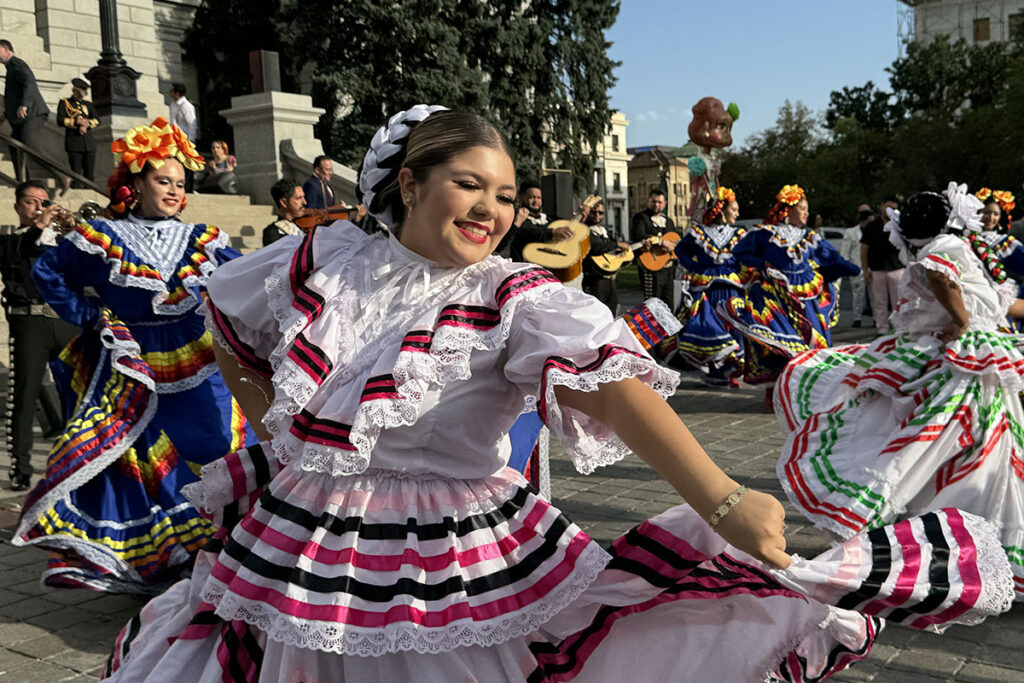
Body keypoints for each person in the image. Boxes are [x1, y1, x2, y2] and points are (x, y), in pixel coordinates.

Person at [101, 106, 1010, 683]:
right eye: (469, 183)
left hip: (447, 550)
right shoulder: (324, 255)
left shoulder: (514, 294)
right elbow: (222, 319)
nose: (491, 208)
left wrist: (724, 497)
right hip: (299, 534)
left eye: (502, 193)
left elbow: (616, 392)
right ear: (409, 183)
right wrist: (265, 411)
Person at [12, 117, 255, 593]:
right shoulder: (103, 236)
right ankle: (166, 557)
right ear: (136, 183)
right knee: (142, 457)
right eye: (162, 180)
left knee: (216, 444)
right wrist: (92, 315)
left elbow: (249, 278)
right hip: (133, 362)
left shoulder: (202, 239)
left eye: (180, 183)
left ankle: (219, 545)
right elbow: (49, 271)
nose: (172, 190)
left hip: (199, 360)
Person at [776, 183, 1024, 601]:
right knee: (953, 445)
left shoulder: (939, 247)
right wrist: (961, 322)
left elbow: (987, 301)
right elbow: (944, 280)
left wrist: (965, 319)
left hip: (964, 359)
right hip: (957, 360)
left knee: (957, 446)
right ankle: (966, 538)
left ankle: (963, 535)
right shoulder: (944, 247)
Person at [720, 184, 858, 412]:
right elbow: (740, 253)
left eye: (807, 209)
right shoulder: (765, 234)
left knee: (812, 343)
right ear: (787, 210)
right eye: (802, 208)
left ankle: (806, 393)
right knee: (774, 344)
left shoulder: (811, 237)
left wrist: (854, 269)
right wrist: (762, 265)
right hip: (774, 296)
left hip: (806, 298)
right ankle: (773, 392)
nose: (806, 213)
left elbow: (832, 259)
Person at [0, 180, 80, 491]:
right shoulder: (9, 242)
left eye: (44, 202)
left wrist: (74, 232)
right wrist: (40, 227)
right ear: (18, 206)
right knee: (24, 394)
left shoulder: (58, 240)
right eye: (32, 202)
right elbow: (18, 256)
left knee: (77, 391)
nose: (39, 208)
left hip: (64, 322)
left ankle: (79, 459)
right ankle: (21, 468)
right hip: (30, 324)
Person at [668, 186, 749, 387]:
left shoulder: (739, 233)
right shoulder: (699, 233)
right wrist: (695, 266)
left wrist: (741, 269)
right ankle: (714, 370)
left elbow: (747, 257)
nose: (737, 213)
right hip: (705, 287)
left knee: (733, 325)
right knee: (710, 325)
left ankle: (729, 369)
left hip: (731, 286)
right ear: (722, 210)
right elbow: (681, 249)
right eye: (734, 209)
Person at [0, 39, 50, 181]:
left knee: (30, 146)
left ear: (6, 49)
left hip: (32, 113)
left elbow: (29, 82)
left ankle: (62, 176)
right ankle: (23, 181)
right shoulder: (10, 67)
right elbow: (15, 93)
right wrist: (6, 113)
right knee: (14, 145)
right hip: (21, 117)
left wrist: (24, 104)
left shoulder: (16, 63)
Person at [860, 196, 903, 333]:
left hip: (897, 268)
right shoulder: (872, 226)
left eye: (894, 208)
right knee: (879, 302)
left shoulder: (900, 224)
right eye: (888, 207)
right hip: (877, 269)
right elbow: (864, 249)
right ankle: (882, 329)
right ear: (881, 206)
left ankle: (898, 328)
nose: (890, 211)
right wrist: (865, 269)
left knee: (899, 301)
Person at [631, 188, 678, 308]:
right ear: (649, 201)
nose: (656, 205)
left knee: (668, 305)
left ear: (665, 204)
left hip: (668, 269)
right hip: (651, 267)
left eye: (660, 202)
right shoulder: (641, 218)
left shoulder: (668, 221)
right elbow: (639, 235)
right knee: (652, 305)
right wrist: (662, 242)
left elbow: (675, 239)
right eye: (654, 201)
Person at [580, 199, 628, 313]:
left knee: (611, 314)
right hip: (594, 278)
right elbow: (595, 246)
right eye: (594, 212)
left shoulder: (604, 230)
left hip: (610, 279)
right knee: (597, 314)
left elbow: (614, 249)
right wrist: (616, 244)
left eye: (600, 213)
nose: (597, 215)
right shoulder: (583, 230)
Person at [56, 78, 99, 185]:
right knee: (76, 172)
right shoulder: (65, 103)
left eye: (82, 94)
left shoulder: (88, 104)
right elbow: (60, 120)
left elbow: (97, 120)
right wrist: (76, 122)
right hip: (74, 143)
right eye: (79, 93)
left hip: (88, 143)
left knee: (89, 173)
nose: (81, 96)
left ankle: (90, 191)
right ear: (74, 90)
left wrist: (87, 123)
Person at [840, 204, 873, 327]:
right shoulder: (851, 233)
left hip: (872, 267)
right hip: (857, 267)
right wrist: (847, 266)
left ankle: (876, 318)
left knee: (875, 295)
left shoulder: (873, 231)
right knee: (858, 295)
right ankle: (857, 317)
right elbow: (845, 252)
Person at [168, 83, 197, 192]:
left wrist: (190, 142)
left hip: (186, 141)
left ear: (177, 93)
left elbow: (192, 124)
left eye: (171, 91)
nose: (169, 93)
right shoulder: (173, 105)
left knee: (188, 167)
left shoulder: (187, 106)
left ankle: (189, 189)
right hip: (175, 141)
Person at [262, 179, 305, 246]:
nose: (305, 202)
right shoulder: (272, 233)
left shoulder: (305, 225)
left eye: (303, 197)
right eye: (298, 198)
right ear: (284, 203)